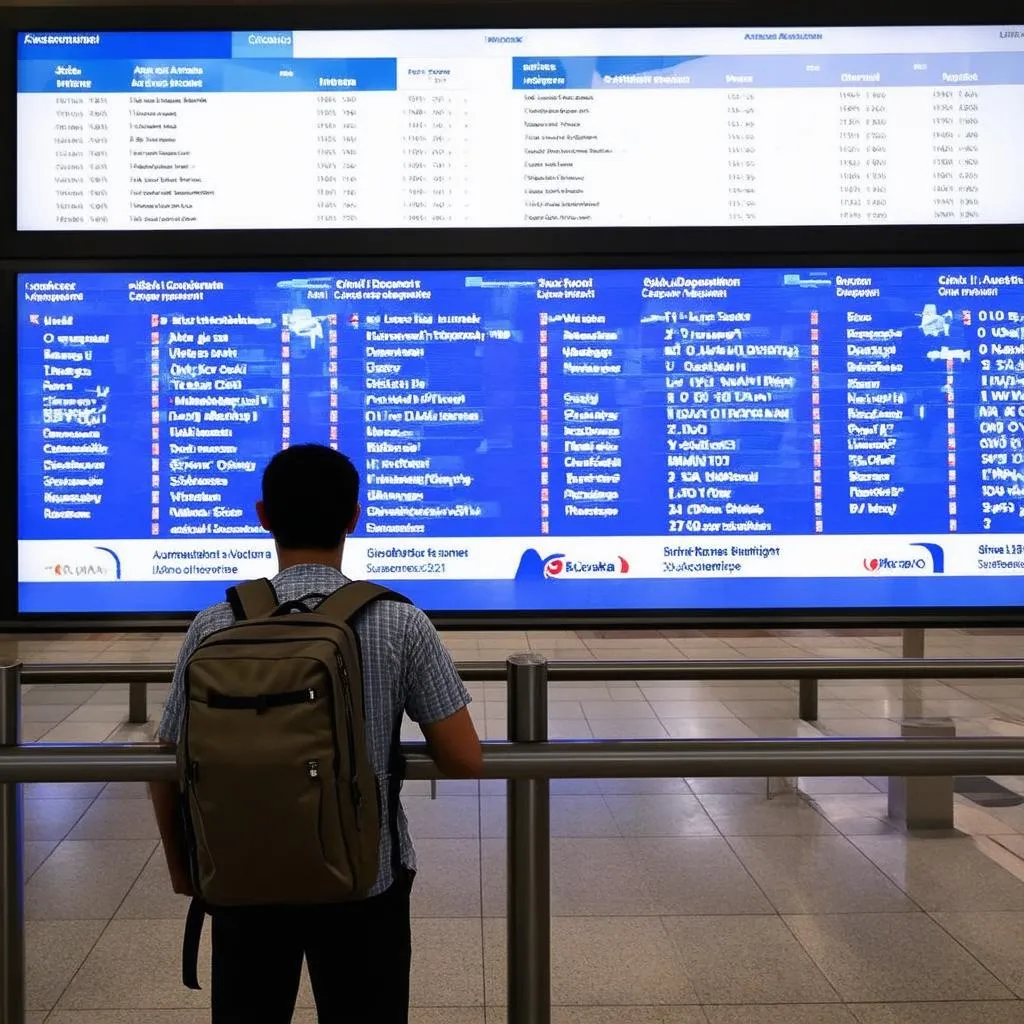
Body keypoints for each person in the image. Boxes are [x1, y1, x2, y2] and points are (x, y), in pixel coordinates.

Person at [149, 443, 483, 1023]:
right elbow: (463, 758)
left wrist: (187, 872)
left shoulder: (214, 623)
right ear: (354, 517)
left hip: (239, 875)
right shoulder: (399, 621)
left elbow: (166, 768)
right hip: (363, 879)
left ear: (263, 517)